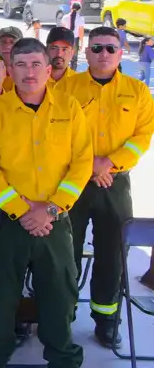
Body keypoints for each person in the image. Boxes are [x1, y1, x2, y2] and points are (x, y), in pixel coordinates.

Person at [0, 38, 100, 368]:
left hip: (54, 223)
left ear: (48, 66)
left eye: (36, 63)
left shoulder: (69, 108)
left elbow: (82, 163)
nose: (30, 71)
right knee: (1, 302)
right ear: (11, 68)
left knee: (60, 302)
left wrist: (51, 209)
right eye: (20, 64)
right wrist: (23, 210)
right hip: (9, 224)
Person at [62, 26, 154, 348]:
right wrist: (89, 166)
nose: (103, 54)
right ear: (86, 52)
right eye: (96, 48)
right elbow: (56, 133)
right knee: (65, 252)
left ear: (121, 52)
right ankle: (63, 315)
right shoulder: (66, 89)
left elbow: (142, 138)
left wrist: (109, 164)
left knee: (112, 252)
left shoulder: (138, 92)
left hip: (114, 183)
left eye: (110, 49)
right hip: (71, 182)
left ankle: (106, 319)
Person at [62, 0, 87, 70]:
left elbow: (63, 30)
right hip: (75, 40)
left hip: (66, 39)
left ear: (71, 8)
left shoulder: (65, 17)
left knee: (65, 57)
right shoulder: (81, 19)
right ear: (79, 10)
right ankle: (73, 73)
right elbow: (81, 32)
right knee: (74, 58)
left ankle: (64, 73)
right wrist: (82, 42)